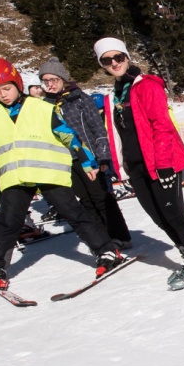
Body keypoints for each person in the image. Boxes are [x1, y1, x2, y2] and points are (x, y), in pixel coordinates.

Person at [0, 59, 123, 290]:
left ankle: (107, 252)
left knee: (74, 212)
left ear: (18, 84)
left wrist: (87, 162)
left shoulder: (41, 108)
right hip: (16, 177)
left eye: (7, 88)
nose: (3, 94)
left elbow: (69, 136)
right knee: (8, 221)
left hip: (48, 173)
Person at [94, 38, 184, 290]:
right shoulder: (114, 93)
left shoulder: (146, 86)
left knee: (174, 214)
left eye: (118, 57)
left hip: (160, 163)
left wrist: (165, 164)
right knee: (158, 217)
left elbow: (162, 125)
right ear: (102, 64)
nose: (114, 63)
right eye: (107, 60)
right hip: (137, 167)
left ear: (127, 57)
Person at [39, 56, 131, 247]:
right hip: (66, 162)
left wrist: (103, 156)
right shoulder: (43, 107)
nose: (50, 84)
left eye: (54, 79)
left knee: (101, 198)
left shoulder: (80, 99)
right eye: (46, 81)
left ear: (63, 79)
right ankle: (102, 240)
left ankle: (120, 236)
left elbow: (98, 129)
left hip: (90, 158)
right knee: (86, 202)